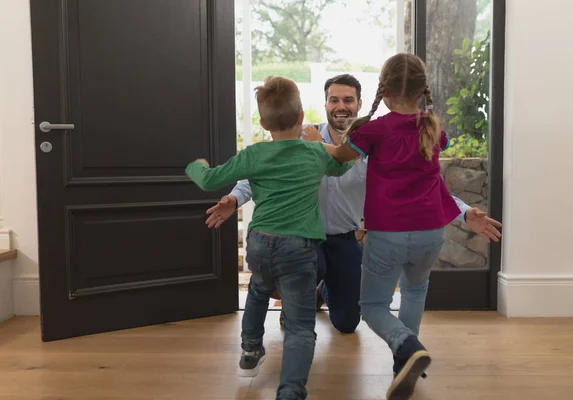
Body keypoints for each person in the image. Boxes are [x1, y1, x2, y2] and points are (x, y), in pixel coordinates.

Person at [205, 74, 502, 335]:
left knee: (347, 323)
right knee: (301, 267)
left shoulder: (374, 142)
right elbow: (257, 173)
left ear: (360, 104)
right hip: (305, 238)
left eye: (348, 100)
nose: (340, 106)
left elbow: (424, 184)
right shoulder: (300, 136)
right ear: (325, 104)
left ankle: (324, 290)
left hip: (344, 238)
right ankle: (300, 297)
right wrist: (234, 199)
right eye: (333, 100)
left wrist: (464, 213)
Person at [323, 54, 502, 399]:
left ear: (383, 90)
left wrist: (314, 145)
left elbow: (339, 155)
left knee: (373, 306)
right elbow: (439, 156)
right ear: (422, 91)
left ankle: (406, 347)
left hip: (388, 232)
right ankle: (402, 362)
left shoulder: (374, 130)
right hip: (430, 233)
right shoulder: (432, 128)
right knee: (415, 290)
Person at [185, 76, 352, 400]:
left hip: (260, 242)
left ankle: (249, 351)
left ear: (262, 123)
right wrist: (322, 144)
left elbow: (208, 181)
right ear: (302, 117)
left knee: (258, 292)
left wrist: (196, 166)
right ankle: (290, 391)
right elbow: (342, 168)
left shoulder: (254, 155)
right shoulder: (313, 153)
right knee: (301, 325)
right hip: (298, 246)